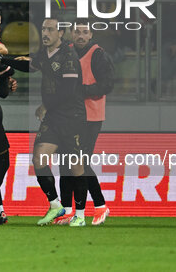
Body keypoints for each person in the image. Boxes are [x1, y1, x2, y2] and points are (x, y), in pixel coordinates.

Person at [3, 18, 89, 227]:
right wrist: (3, 60)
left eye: (50, 29)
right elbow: (29, 65)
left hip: (72, 117)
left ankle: (80, 214)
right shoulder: (44, 54)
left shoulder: (68, 56)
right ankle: (55, 205)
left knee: (75, 166)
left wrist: (45, 106)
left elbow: (68, 91)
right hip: (53, 118)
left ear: (61, 33)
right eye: (43, 29)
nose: (45, 33)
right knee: (39, 159)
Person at [53, 24, 114, 226]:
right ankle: (68, 211)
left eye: (85, 32)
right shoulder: (66, 52)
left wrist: (80, 90)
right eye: (77, 32)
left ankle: (100, 205)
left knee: (80, 163)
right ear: (71, 34)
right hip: (68, 116)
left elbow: (107, 85)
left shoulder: (98, 55)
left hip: (90, 117)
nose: (81, 35)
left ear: (91, 34)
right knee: (64, 162)